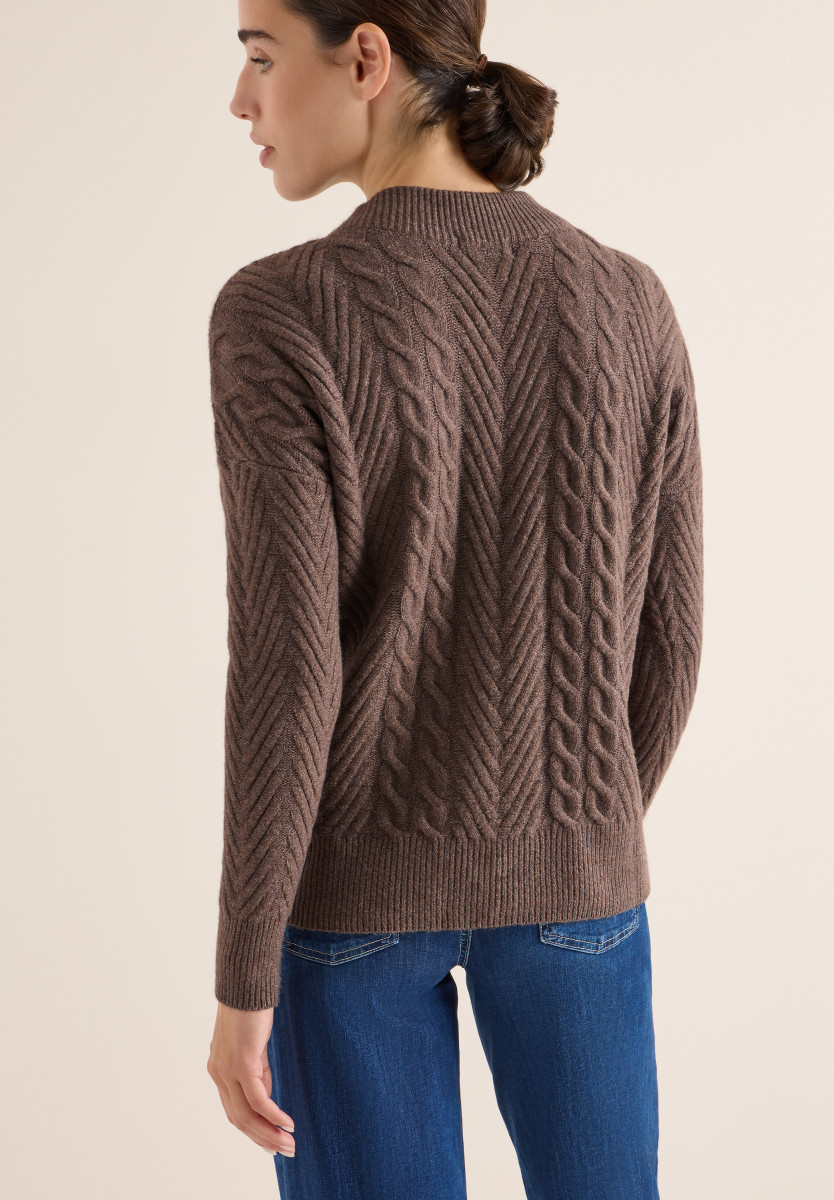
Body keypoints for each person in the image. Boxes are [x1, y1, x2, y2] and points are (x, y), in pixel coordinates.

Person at [205, 1, 704, 1196]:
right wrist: (568, 838)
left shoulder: (280, 311)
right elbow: (671, 638)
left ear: (367, 57)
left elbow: (287, 673)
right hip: (580, 890)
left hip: (353, 903)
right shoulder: (628, 298)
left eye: (262, 57)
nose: (242, 101)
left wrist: (242, 980)